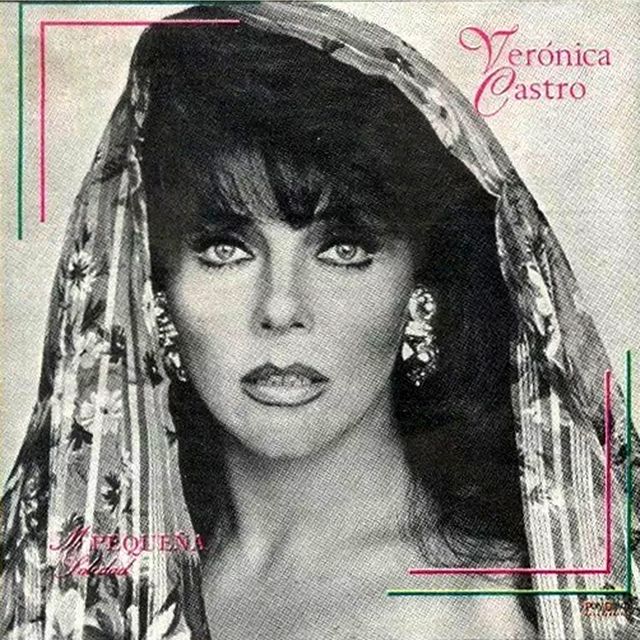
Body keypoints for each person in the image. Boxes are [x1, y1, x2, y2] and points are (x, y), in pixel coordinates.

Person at [1, 3, 638, 640]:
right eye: (226, 249)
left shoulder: (493, 609)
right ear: (154, 287)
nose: (281, 310)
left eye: (343, 249)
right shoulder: (75, 578)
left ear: (419, 289)